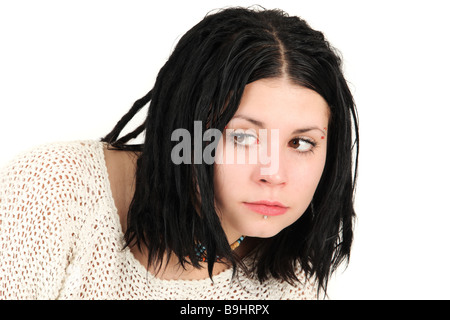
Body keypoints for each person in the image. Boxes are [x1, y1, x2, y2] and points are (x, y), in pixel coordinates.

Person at [0, 6, 358, 299]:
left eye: (301, 143)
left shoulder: (289, 277)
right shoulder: (53, 189)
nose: (274, 174)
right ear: (185, 131)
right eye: (243, 137)